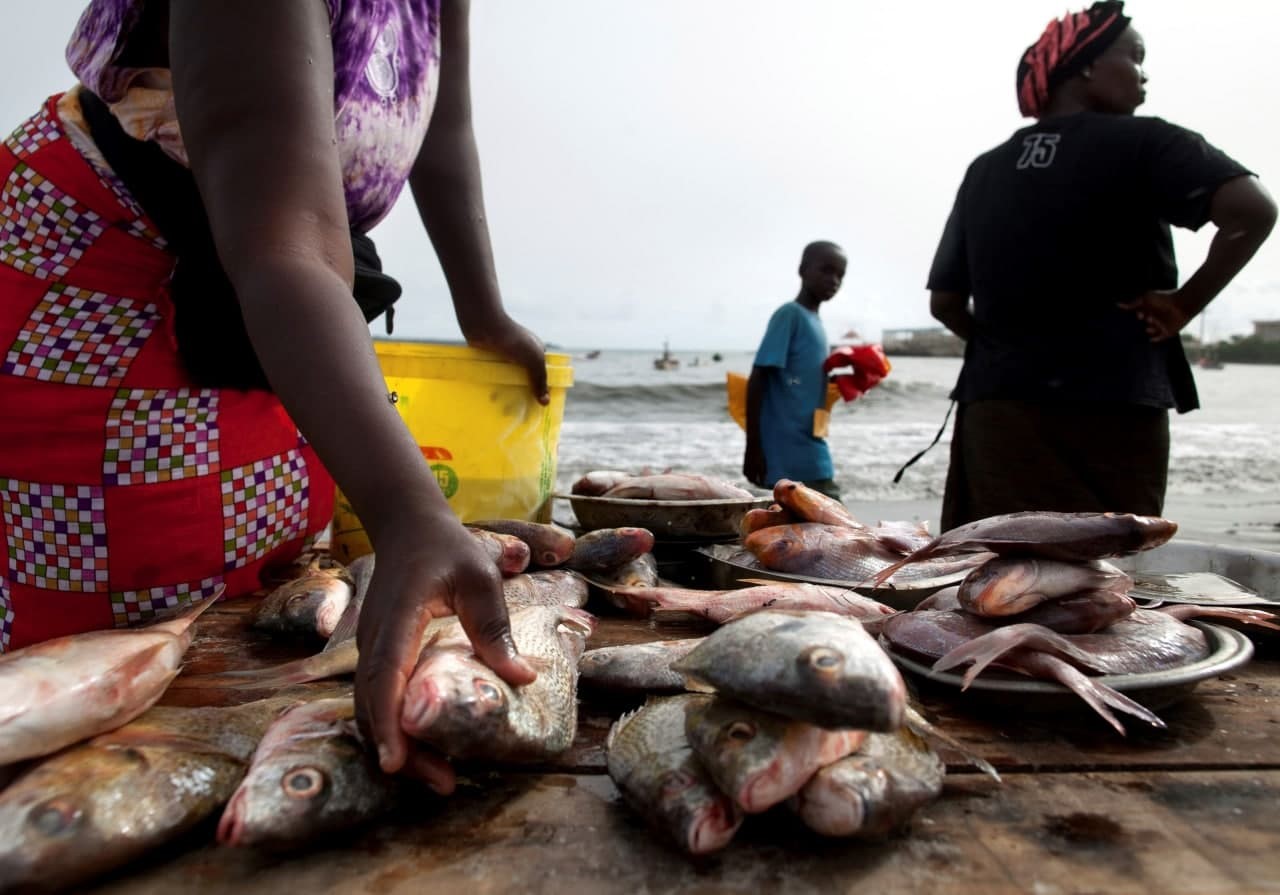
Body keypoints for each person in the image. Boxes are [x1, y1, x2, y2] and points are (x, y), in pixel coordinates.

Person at [0, 1, 548, 793]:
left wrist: (483, 312)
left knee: (267, 581)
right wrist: (410, 514)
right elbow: (285, 236)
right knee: (123, 647)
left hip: (280, 284)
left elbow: (441, 128)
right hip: (106, 271)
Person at [927, 1, 1275, 530]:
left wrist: (1009, 346)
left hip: (998, 409)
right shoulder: (1147, 143)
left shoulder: (985, 169)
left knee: (989, 576)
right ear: (1087, 65)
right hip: (1114, 405)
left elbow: (946, 302)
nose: (1144, 74)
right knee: (1105, 584)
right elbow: (1252, 212)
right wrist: (1183, 304)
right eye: (1135, 57)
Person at [742, 241, 848, 500]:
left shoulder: (817, 322)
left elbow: (800, 378)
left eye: (840, 275)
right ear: (803, 270)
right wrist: (753, 447)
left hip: (812, 447)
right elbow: (758, 378)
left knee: (821, 532)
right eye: (826, 270)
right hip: (784, 455)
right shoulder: (789, 315)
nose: (833, 280)